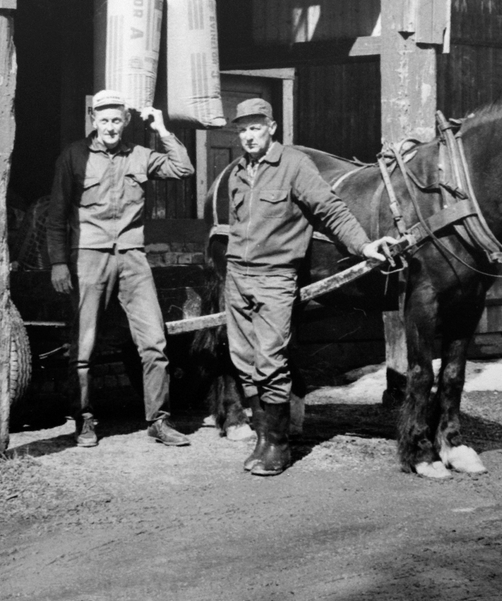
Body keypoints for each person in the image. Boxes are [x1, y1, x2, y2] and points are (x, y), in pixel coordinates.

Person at [224, 98, 393, 476]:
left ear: (272, 128)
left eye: (255, 127)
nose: (248, 136)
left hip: (275, 277)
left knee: (270, 360)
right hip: (238, 276)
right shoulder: (238, 171)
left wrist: (363, 246)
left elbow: (329, 209)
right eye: (242, 129)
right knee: (244, 359)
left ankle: (279, 446)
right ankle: (262, 440)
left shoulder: (294, 165)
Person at [46, 89, 195, 449]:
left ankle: (159, 421)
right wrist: (58, 263)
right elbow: (56, 215)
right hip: (89, 257)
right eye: (104, 120)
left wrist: (161, 129)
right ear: (93, 121)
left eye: (116, 120)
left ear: (126, 122)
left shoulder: (140, 155)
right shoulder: (74, 157)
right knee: (84, 347)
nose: (110, 127)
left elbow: (184, 168)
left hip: (132, 256)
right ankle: (83, 421)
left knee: (154, 343)